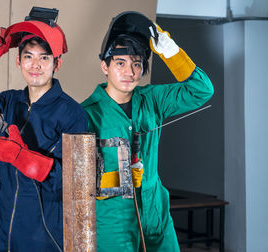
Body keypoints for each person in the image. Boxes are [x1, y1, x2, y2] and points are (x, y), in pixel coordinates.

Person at [0, 7, 88, 252]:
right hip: (0, 218)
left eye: (44, 57)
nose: (35, 65)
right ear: (18, 61)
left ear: (57, 64)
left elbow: (77, 183)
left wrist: (22, 157)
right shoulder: (9, 102)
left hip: (42, 229)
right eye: (28, 56)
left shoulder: (73, 114)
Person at [81, 11, 214, 251]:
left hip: (155, 212)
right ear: (105, 66)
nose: (129, 72)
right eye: (120, 63)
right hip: (113, 220)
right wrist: (120, 179)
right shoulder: (87, 114)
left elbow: (202, 90)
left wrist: (170, 51)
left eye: (137, 64)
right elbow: (78, 182)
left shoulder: (152, 99)